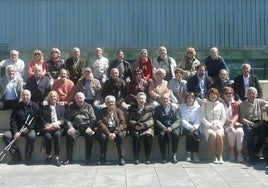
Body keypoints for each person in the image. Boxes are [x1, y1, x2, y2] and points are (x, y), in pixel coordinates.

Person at [2, 89, 39, 165]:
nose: (25, 97)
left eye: (27, 95)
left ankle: (28, 157)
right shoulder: (17, 106)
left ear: (30, 96)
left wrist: (29, 128)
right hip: (18, 129)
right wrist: (15, 131)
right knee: (6, 135)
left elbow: (36, 121)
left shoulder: (35, 106)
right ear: (21, 96)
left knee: (31, 136)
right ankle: (16, 156)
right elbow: (13, 120)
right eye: (23, 95)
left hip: (29, 129)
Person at [64, 92, 96, 165]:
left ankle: (88, 158)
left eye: (81, 98)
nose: (79, 99)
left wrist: (90, 127)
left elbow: (93, 119)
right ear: (75, 99)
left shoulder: (89, 106)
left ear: (84, 98)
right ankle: (69, 158)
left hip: (86, 126)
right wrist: (70, 127)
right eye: (77, 98)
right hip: (75, 127)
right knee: (69, 136)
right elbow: (67, 119)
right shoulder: (71, 107)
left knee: (89, 136)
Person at [95, 95, 127, 165]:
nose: (110, 103)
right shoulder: (101, 111)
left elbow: (123, 124)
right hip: (105, 129)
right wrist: (108, 133)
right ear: (106, 103)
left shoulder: (119, 111)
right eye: (108, 102)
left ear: (115, 102)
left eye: (112, 102)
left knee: (120, 136)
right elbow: (100, 123)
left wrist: (115, 132)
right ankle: (102, 157)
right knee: (103, 137)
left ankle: (121, 157)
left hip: (116, 129)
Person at [240, 87, 268, 164]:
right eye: (250, 93)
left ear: (256, 94)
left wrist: (265, 106)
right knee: (250, 134)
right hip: (248, 123)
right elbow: (242, 118)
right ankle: (251, 157)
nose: (251, 95)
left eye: (253, 93)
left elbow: (267, 103)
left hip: (259, 123)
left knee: (264, 133)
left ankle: (256, 152)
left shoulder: (259, 101)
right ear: (247, 94)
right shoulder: (243, 104)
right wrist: (252, 124)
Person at [38, 91, 65, 166]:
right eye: (51, 96)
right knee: (47, 136)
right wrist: (50, 125)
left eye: (54, 96)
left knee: (57, 135)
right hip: (48, 128)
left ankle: (57, 157)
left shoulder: (61, 107)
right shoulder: (44, 108)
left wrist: (55, 124)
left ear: (57, 98)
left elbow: (63, 119)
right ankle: (48, 155)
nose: (53, 98)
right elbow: (42, 119)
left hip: (58, 127)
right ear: (48, 98)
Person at [154, 93, 182, 164]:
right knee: (161, 135)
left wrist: (171, 127)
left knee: (176, 134)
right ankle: (163, 155)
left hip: (172, 126)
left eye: (166, 98)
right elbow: (156, 120)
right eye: (163, 99)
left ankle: (174, 154)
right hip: (162, 127)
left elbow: (178, 120)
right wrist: (162, 127)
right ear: (160, 100)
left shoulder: (174, 108)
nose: (165, 100)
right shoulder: (158, 108)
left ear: (169, 99)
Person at [128, 92, 154, 165]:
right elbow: (129, 120)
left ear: (145, 100)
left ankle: (148, 158)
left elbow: (152, 120)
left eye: (142, 99)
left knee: (148, 137)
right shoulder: (132, 108)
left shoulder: (150, 108)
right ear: (136, 100)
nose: (141, 100)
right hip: (135, 127)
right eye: (139, 99)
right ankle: (136, 158)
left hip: (146, 127)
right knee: (136, 137)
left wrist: (144, 125)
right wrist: (135, 124)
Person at [201, 88, 226, 164]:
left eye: (215, 94)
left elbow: (223, 117)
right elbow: (203, 117)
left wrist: (219, 125)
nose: (213, 96)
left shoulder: (221, 105)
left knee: (219, 134)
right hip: (208, 126)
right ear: (209, 95)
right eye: (211, 94)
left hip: (218, 125)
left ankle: (220, 156)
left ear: (217, 95)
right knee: (213, 135)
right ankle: (213, 156)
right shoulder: (204, 104)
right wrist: (210, 126)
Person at [221, 87, 244, 162]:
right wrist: (228, 122)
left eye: (230, 93)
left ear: (232, 94)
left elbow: (236, 115)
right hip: (225, 123)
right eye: (226, 93)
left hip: (235, 123)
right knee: (232, 131)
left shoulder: (236, 103)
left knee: (240, 132)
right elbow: (221, 115)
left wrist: (231, 122)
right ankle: (231, 152)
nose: (228, 94)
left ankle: (239, 154)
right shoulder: (221, 103)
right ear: (223, 94)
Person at [179, 92, 201, 162]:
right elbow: (183, 120)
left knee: (196, 134)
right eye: (188, 98)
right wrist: (190, 127)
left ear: (194, 99)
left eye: (192, 98)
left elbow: (198, 119)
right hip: (186, 127)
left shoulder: (198, 108)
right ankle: (188, 153)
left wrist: (194, 127)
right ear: (185, 99)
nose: (190, 99)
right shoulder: (182, 107)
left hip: (195, 126)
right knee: (189, 135)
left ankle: (195, 154)